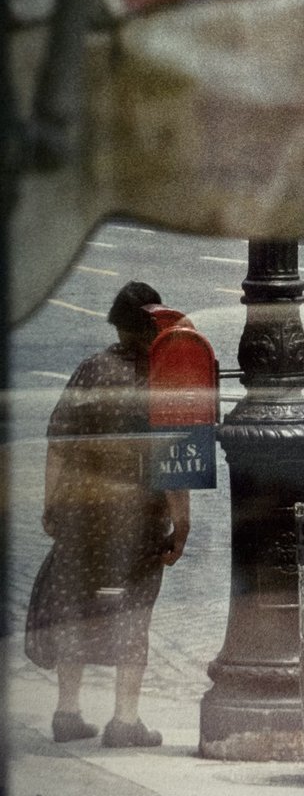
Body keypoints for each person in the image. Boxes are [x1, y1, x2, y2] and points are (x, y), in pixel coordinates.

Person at [25, 281, 190, 747]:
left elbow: (58, 441)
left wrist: (50, 501)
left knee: (75, 606)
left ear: (117, 325)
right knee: (133, 613)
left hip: (82, 509)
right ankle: (124, 721)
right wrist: (183, 524)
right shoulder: (167, 376)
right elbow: (177, 462)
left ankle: (67, 712)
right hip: (138, 517)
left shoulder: (91, 369)